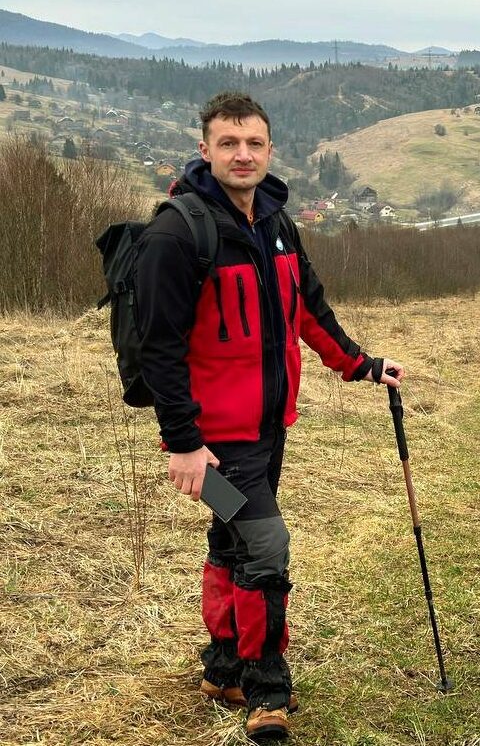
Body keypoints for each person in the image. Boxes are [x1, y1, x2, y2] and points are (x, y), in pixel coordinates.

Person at [136, 92, 400, 742]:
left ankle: (222, 667)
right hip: (213, 447)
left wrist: (361, 365)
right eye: (229, 143)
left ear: (270, 148)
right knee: (265, 545)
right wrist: (183, 445)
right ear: (205, 150)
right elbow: (157, 349)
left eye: (253, 142)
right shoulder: (178, 232)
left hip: (267, 430)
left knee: (234, 543)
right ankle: (266, 690)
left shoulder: (276, 222)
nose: (243, 154)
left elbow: (307, 310)